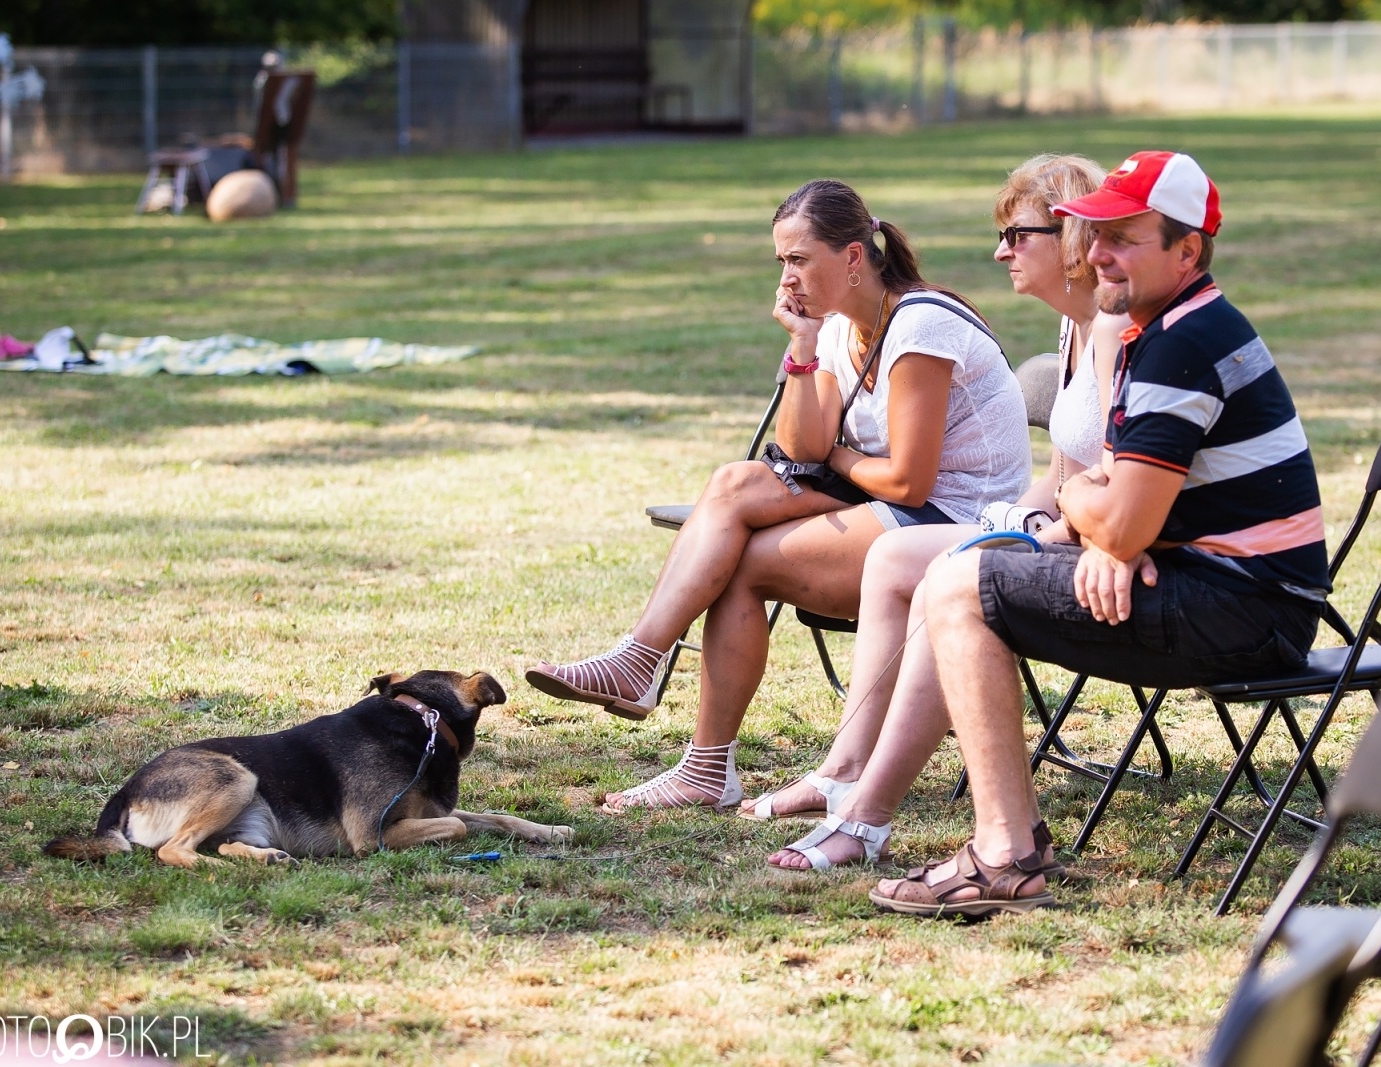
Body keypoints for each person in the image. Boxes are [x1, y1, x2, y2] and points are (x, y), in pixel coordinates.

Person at [868, 151, 1331, 917]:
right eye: (1097, 232)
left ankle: (1004, 854)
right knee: (966, 571)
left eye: (1125, 237)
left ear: (1187, 250)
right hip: (1226, 587)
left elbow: (1116, 512)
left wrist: (1094, 517)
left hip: (1244, 609)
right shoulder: (1166, 328)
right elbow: (1116, 499)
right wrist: (1106, 529)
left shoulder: (1180, 345)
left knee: (957, 587)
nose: (1100, 252)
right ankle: (1002, 842)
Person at [526, 179, 1030, 813]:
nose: (787, 278)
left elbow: (909, 481)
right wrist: (802, 346)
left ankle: (694, 753)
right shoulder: (839, 328)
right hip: (887, 505)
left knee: (744, 563)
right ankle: (642, 665)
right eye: (781, 262)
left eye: (799, 260)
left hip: (959, 521)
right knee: (733, 483)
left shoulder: (920, 324)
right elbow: (802, 447)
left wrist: (840, 457)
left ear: (852, 257)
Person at [745, 154, 1130, 871]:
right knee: (897, 557)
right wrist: (1016, 522)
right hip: (1067, 530)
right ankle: (844, 768)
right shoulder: (1075, 329)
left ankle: (865, 813)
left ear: (1072, 235)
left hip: (1111, 554)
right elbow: (1065, 475)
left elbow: (1119, 482)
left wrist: (1033, 531)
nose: (1002, 251)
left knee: (947, 580)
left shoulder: (1115, 331)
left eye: (1017, 236)